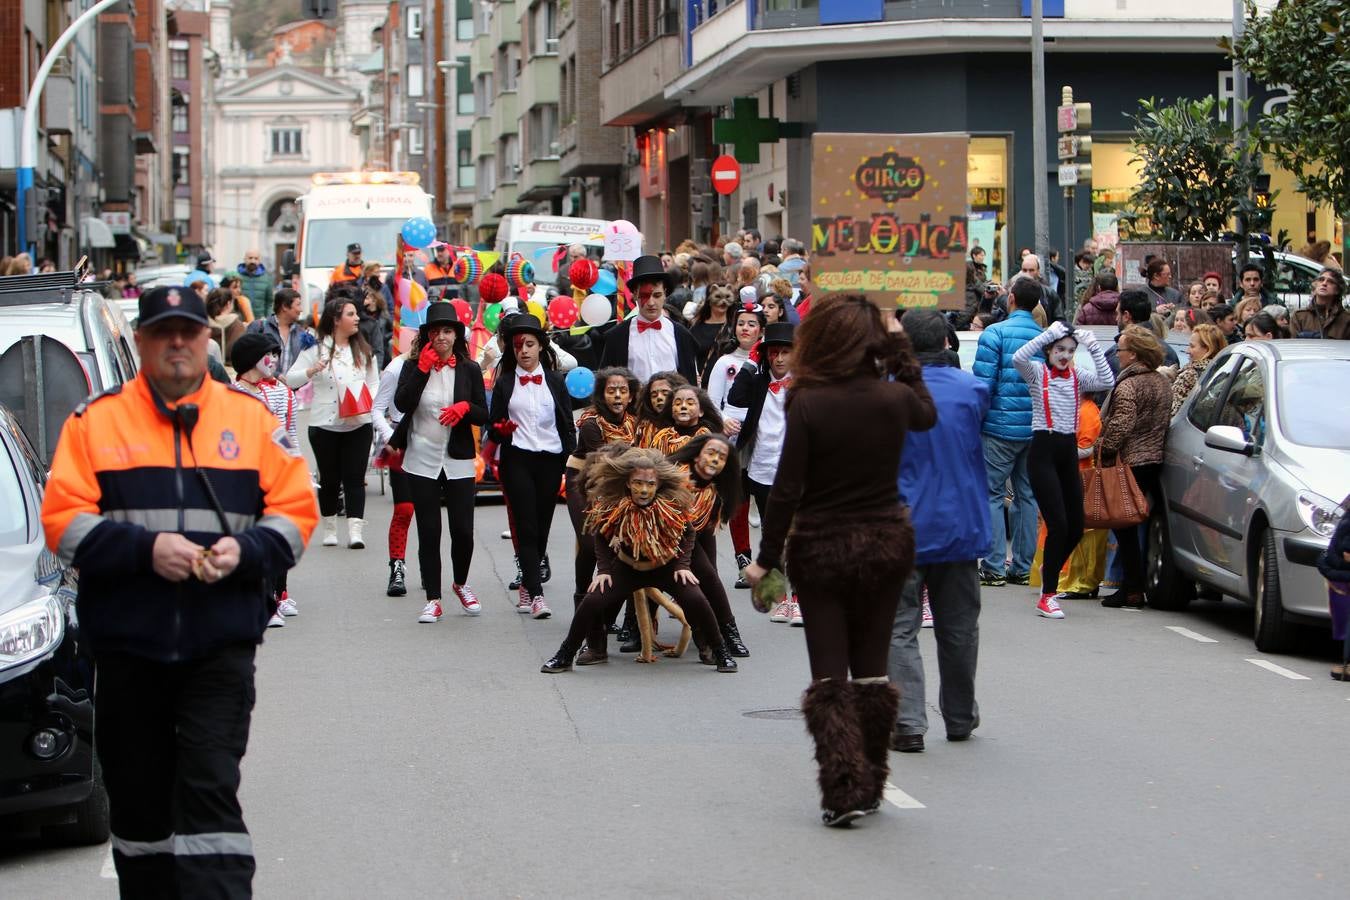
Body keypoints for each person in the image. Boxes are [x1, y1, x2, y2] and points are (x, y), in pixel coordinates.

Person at [41, 285, 317, 897]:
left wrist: (244, 552)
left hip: (217, 649)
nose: (176, 345)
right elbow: (63, 521)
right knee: (139, 811)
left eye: (187, 334)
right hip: (128, 653)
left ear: (205, 342)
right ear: (140, 342)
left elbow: (296, 512)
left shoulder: (248, 420)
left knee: (208, 790)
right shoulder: (95, 422)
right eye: (162, 333)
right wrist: (146, 551)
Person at [744, 295, 936, 828]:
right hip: (885, 542)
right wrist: (899, 345)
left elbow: (785, 490)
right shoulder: (895, 399)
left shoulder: (806, 401)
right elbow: (927, 411)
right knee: (873, 671)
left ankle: (844, 786)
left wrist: (765, 559)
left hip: (822, 546)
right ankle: (872, 777)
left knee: (829, 675)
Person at [887, 309, 990, 752]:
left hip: (904, 520)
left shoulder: (889, 393)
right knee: (959, 627)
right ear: (947, 344)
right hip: (961, 521)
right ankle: (960, 717)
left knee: (899, 626)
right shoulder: (973, 389)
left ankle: (909, 722)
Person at [540, 447, 738, 674]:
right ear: (627, 483)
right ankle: (565, 655)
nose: (644, 490)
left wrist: (682, 565)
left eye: (650, 484)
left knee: (697, 598)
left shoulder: (671, 505)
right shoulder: (614, 505)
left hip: (666, 566)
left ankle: (721, 652)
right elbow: (601, 534)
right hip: (628, 568)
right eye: (638, 483)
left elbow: (689, 533)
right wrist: (604, 570)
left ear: (658, 484)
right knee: (592, 601)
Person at [389, 303, 489, 623]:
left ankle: (460, 583)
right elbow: (402, 403)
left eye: (448, 331)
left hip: (458, 458)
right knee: (429, 530)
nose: (442, 337)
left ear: (456, 335)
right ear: (428, 337)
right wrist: (421, 370)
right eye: (436, 332)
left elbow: (483, 413)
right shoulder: (413, 366)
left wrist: (463, 408)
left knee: (463, 530)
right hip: (421, 458)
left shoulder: (470, 369)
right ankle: (433, 598)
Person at [1012, 321, 1114, 618]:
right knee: (1057, 523)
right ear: (1049, 349)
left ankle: (1051, 566)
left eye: (1070, 350)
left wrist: (1093, 346)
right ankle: (1047, 595)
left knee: (1076, 524)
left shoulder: (1078, 377)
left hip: (1067, 452)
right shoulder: (1037, 372)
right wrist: (1049, 333)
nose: (1065, 355)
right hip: (1042, 450)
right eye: (1060, 349)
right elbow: (1017, 358)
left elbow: (1106, 381)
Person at [489, 315, 577, 619]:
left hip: (551, 459)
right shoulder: (505, 382)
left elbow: (567, 422)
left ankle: (529, 580)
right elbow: (493, 425)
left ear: (541, 346)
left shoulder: (554, 380)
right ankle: (536, 594)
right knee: (525, 526)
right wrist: (501, 428)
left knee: (542, 526)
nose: (523, 351)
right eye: (517, 346)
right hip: (518, 459)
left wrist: (570, 458)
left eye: (529, 344)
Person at [286, 297, 381, 549]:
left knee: (355, 477)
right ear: (336, 320)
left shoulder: (363, 349)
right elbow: (290, 379)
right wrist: (311, 371)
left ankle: (355, 530)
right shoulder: (315, 349)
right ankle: (329, 527)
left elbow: (374, 382)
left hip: (358, 422)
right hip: (324, 424)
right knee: (329, 478)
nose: (357, 318)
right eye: (351, 314)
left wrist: (365, 401)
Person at [972, 278, 1043, 588]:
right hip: (1035, 427)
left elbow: (983, 385)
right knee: (1027, 495)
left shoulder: (994, 334)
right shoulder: (1043, 338)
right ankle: (1024, 565)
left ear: (1010, 299)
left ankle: (994, 564)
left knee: (992, 493)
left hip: (999, 428)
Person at [1097, 325, 1172, 610]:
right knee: (1136, 524)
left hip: (1130, 462)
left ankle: (1131, 588)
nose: (1118, 355)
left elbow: (1121, 424)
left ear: (1134, 353)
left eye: (1121, 350)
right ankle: (1134, 585)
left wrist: (1103, 447)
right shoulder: (1161, 382)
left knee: (1124, 526)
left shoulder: (1129, 384)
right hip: (1153, 459)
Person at [565, 367, 639, 650]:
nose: (617, 395)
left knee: (623, 547)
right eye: (611, 390)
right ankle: (582, 598)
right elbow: (604, 465)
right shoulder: (590, 423)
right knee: (589, 541)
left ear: (631, 395)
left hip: (621, 484)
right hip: (585, 481)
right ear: (602, 394)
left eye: (622, 390)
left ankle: (608, 615)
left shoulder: (636, 421)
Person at [231, 332, 301, 626]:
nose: (272, 360)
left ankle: (279, 592)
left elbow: (291, 432)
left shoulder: (284, 392)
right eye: (267, 355)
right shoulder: (231, 394)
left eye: (275, 354)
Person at [724, 321, 796, 608]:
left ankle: (799, 595)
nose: (778, 359)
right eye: (773, 353)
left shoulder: (806, 383)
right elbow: (734, 397)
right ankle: (775, 593)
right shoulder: (757, 381)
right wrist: (751, 362)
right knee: (771, 532)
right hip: (763, 469)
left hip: (794, 470)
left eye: (785, 353)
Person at [599, 254, 700, 383]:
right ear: (635, 295)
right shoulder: (617, 336)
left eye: (657, 295)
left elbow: (689, 382)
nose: (651, 302)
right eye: (644, 295)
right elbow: (607, 383)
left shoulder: (681, 335)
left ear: (665, 294)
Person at [371, 344, 415, 599]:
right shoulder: (395, 368)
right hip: (402, 441)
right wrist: (393, 438)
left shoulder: (446, 364)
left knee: (432, 513)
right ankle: (396, 567)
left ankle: (431, 570)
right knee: (405, 509)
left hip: (434, 443)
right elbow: (377, 409)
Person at [706, 301, 765, 412]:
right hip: (728, 424)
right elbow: (712, 403)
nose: (745, 328)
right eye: (740, 324)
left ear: (762, 331)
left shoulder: (766, 363)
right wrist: (724, 420)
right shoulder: (724, 361)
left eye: (751, 325)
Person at [1106, 290, 1181, 372]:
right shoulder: (1169, 352)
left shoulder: (1117, 354)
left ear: (1126, 316)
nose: (1116, 319)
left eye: (1117, 314)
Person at [246, 287, 310, 375]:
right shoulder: (259, 327)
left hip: (291, 388)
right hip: (263, 386)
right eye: (298, 305)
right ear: (284, 306)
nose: (301, 309)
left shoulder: (302, 333)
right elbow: (247, 358)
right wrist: (275, 375)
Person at [649, 383, 722, 455]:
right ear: (671, 411)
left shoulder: (708, 439)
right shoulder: (661, 438)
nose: (683, 406)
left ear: (701, 411)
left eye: (690, 403)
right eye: (677, 403)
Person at [1171, 323, 1227, 416]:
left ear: (1208, 349)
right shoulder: (1223, 373)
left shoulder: (1190, 375)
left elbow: (1172, 413)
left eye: (1192, 346)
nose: (1187, 351)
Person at [1291, 268, 1350, 339]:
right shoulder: (1299, 316)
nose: (1324, 283)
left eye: (1331, 281)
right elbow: (1294, 346)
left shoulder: (1346, 319)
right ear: (1315, 286)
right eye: (1321, 280)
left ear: (1337, 290)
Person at [688, 282, 735, 371]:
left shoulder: (734, 327)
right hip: (702, 380)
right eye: (718, 297)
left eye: (727, 297)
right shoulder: (696, 328)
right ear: (709, 300)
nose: (723, 302)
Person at [237, 249, 274, 321]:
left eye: (256, 258)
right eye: (250, 258)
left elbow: (270, 302)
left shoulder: (266, 279)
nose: (253, 261)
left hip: (260, 321)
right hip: (241, 321)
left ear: (259, 261)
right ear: (244, 259)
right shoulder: (237, 278)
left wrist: (268, 318)